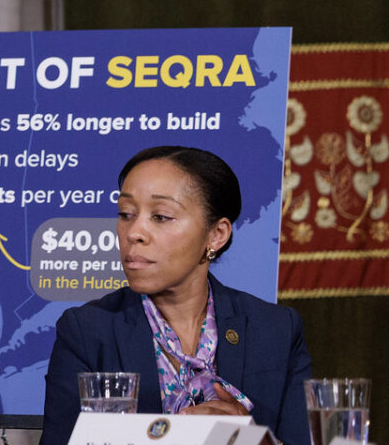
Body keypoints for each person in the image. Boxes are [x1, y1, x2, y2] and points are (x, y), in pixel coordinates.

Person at [41, 146, 312, 445]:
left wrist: (252, 440)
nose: (134, 232)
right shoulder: (88, 331)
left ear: (216, 235)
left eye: (161, 216)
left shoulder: (275, 329)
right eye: (126, 214)